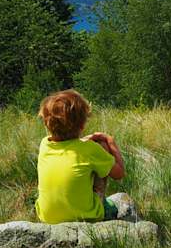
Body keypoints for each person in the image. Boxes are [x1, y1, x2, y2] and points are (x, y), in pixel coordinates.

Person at [34, 89, 138, 223]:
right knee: (103, 147)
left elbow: (70, 147)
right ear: (82, 124)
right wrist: (111, 142)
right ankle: (98, 207)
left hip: (47, 217)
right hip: (87, 216)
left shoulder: (44, 144)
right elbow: (119, 174)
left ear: (46, 123)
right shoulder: (90, 149)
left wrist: (82, 142)